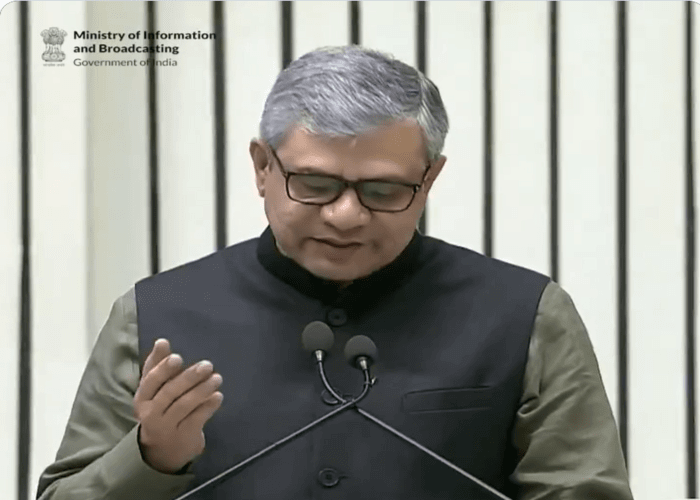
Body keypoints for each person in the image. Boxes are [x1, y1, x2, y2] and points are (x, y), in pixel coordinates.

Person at [36, 45, 633, 500]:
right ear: (262, 167)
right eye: (315, 184)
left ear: (429, 180)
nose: (346, 216)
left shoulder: (525, 315)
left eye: (383, 190)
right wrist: (152, 457)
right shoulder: (155, 314)